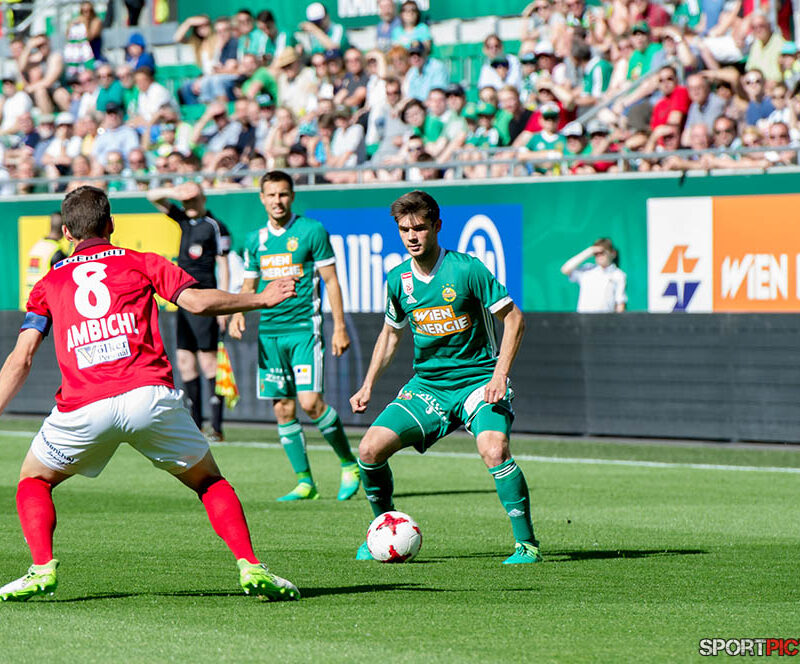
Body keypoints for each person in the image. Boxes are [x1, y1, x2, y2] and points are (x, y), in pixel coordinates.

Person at [0, 186, 299, 602]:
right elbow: (194, 302)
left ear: (67, 233)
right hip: (148, 397)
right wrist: (260, 298)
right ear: (111, 225)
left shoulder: (49, 282)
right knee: (210, 482)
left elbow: (21, 359)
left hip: (83, 406)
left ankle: (41, 568)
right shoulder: (142, 262)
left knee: (33, 480)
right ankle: (250, 565)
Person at [349, 190, 538, 565]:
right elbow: (390, 334)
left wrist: (500, 374)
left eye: (420, 227)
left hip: (478, 381)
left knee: (494, 449)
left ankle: (527, 544)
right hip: (429, 387)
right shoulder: (397, 279)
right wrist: (369, 382)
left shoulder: (467, 269)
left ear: (437, 226)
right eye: (405, 230)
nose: (413, 236)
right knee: (369, 451)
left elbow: (514, 319)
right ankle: (382, 531)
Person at [229, 171, 359, 502]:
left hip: (303, 329)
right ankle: (305, 482)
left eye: (283, 194)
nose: (277, 201)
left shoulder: (311, 231)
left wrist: (339, 326)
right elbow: (248, 285)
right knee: (283, 410)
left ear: (293, 196)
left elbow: (331, 281)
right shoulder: (253, 240)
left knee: (310, 403)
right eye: (271, 195)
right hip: (269, 334)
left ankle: (349, 464)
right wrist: (237, 312)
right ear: (261, 198)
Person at [146, 182, 231, 441]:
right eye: (186, 200)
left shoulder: (215, 226)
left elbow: (224, 265)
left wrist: (223, 306)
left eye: (193, 199)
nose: (189, 204)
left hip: (204, 299)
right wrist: (175, 192)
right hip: (182, 300)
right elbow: (151, 195)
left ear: (204, 199)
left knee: (208, 362)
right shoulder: (183, 218)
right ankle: (195, 425)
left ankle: (215, 426)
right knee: (184, 362)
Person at [560, 238, 627, 312]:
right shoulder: (587, 270)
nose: (599, 256)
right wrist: (589, 251)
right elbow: (565, 270)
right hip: (583, 319)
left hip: (605, 320)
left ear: (613, 253)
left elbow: (620, 303)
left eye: (602, 252)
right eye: (596, 254)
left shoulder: (618, 275)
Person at [22, 212, 70, 304]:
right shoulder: (56, 252)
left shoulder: (36, 246)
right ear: (64, 229)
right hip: (43, 304)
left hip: (29, 302)